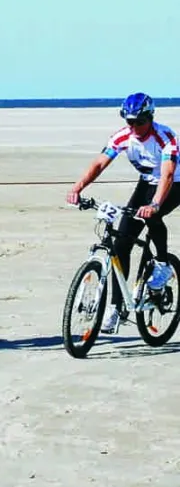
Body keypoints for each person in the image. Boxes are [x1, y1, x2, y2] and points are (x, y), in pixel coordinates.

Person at [66, 92, 179, 333]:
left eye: (140, 121)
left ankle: (162, 265)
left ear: (150, 117)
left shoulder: (165, 137)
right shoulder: (123, 137)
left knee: (153, 215)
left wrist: (156, 204)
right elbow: (99, 163)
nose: (135, 127)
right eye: (130, 122)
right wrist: (77, 188)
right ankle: (115, 307)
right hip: (147, 182)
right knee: (120, 245)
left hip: (175, 184)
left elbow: (167, 175)